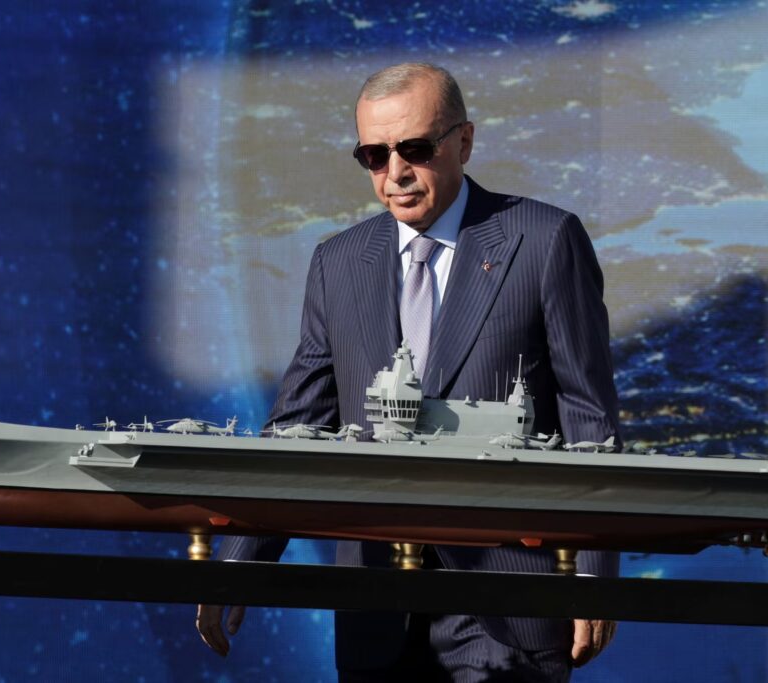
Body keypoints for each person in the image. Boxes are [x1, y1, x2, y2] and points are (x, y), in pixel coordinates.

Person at [197, 62, 621, 682]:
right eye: (373, 155)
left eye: (415, 149)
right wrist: (238, 563)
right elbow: (298, 426)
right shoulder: (338, 263)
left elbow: (588, 412)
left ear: (464, 142)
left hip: (510, 600)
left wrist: (593, 572)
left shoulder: (545, 240)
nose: (394, 173)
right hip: (375, 608)